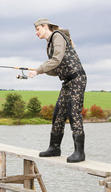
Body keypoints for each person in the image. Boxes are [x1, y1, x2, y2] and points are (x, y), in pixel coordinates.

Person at [28, 18, 87, 163]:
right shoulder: (49, 44)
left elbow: (57, 59)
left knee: (73, 113)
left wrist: (38, 70)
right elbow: (56, 68)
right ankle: (54, 148)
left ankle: (80, 152)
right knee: (58, 114)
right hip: (67, 81)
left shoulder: (57, 36)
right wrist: (40, 71)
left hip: (77, 79)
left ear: (45, 26)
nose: (36, 33)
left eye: (38, 29)